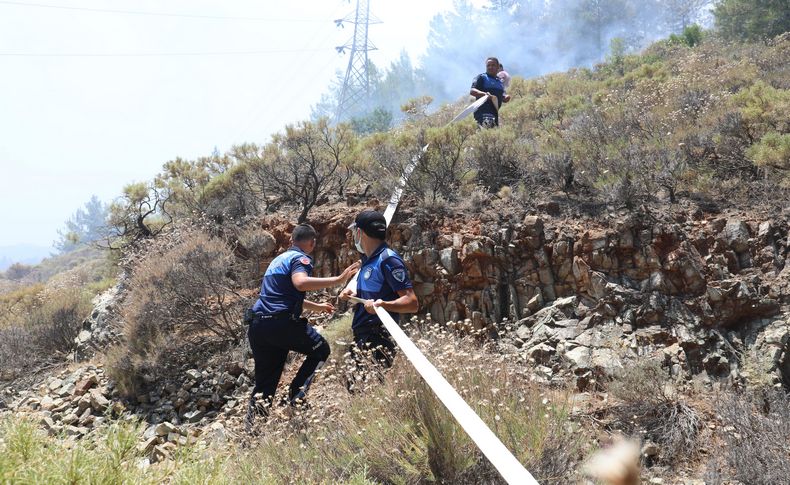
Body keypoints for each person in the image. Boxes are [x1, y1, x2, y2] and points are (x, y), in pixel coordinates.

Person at [246, 223, 360, 429]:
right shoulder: (301, 258)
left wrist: (316, 307)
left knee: (265, 383)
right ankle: (296, 396)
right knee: (321, 349)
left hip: (258, 326)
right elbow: (300, 283)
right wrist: (339, 279)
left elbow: (282, 294)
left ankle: (252, 432)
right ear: (312, 242)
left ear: (291, 241)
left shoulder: (277, 261)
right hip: (280, 323)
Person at [339, 210, 419, 388]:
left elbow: (411, 302)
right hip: (363, 336)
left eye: (354, 232)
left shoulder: (388, 260)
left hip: (378, 337)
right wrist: (352, 293)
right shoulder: (368, 260)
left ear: (360, 233)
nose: (353, 237)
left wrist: (383, 305)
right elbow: (373, 291)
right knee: (357, 391)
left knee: (362, 392)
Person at [470, 56, 511, 128]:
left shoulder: (499, 82)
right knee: (484, 134)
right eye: (488, 65)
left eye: (493, 65)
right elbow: (472, 91)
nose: (490, 67)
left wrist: (505, 97)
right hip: (482, 113)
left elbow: (500, 95)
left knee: (493, 136)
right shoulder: (482, 77)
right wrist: (484, 94)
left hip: (494, 114)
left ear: (498, 67)